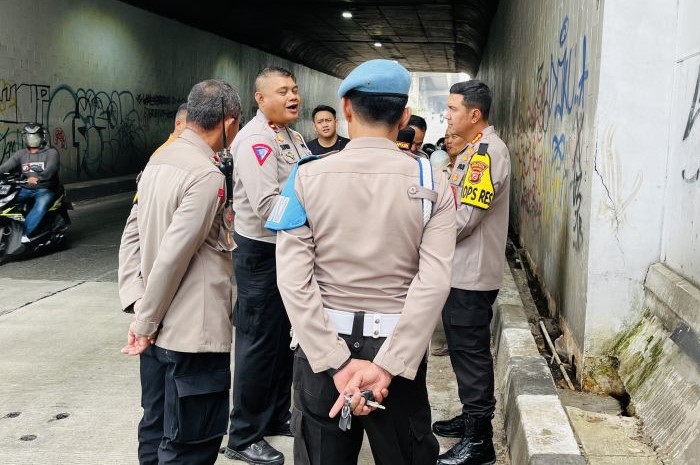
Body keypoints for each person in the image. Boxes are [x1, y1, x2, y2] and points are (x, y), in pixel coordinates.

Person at [266, 59, 456, 465]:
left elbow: (293, 281)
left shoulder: (305, 177)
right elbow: (434, 282)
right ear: (403, 117)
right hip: (396, 349)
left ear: (346, 109)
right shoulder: (432, 182)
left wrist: (335, 363)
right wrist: (387, 367)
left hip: (322, 347)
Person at [117, 79, 241, 465]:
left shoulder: (158, 160)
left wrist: (139, 305)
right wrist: (145, 322)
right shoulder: (206, 174)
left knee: (155, 427)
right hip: (192, 334)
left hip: (156, 326)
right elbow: (174, 255)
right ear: (229, 122)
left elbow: (132, 234)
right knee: (190, 444)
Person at [223, 66, 312, 465]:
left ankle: (276, 415)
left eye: (294, 89)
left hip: (285, 251)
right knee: (257, 344)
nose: (293, 97)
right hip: (260, 253)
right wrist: (317, 220)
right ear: (260, 99)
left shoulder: (291, 136)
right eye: (282, 91)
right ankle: (243, 436)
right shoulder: (256, 140)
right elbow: (266, 207)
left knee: (280, 341)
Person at [433, 80, 511, 465]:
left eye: (452, 109)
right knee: (464, 352)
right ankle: (471, 418)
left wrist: (426, 233)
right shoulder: (471, 150)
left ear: (474, 114)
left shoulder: (486, 154)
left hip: (471, 274)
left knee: (471, 354)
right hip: (459, 271)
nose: (447, 116)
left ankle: (480, 442)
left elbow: (465, 218)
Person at [0, 123, 59, 243]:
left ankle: (25, 234)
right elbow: (4, 168)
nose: (32, 139)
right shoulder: (20, 154)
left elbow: (50, 170)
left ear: (42, 137)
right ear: (24, 138)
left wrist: (38, 178)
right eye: (29, 136)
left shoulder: (51, 152)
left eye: (35, 136)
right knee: (3, 202)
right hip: (24, 188)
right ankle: (9, 228)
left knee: (41, 203)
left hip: (44, 188)